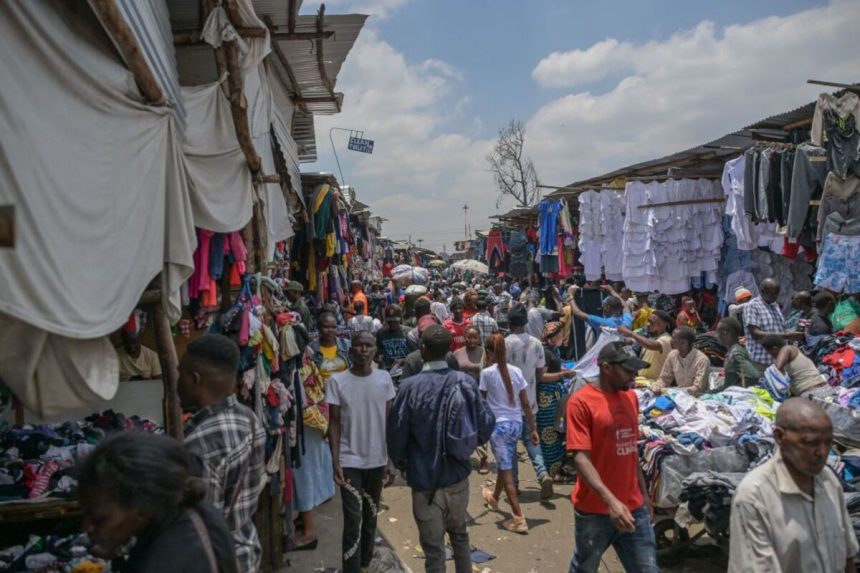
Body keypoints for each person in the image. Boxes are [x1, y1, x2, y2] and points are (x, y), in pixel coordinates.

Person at [387, 326, 495, 573]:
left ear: (422, 350)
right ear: (449, 351)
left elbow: (396, 436)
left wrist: (404, 466)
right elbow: (486, 424)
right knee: (460, 538)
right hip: (457, 477)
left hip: (424, 482)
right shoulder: (465, 383)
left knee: (434, 549)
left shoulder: (409, 387)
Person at [77, 431, 238, 573]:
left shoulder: (169, 559)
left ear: (140, 508)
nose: (87, 528)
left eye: (99, 519)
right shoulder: (191, 511)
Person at [729, 398, 858, 573]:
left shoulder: (829, 481)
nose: (822, 453)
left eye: (828, 443)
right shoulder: (754, 496)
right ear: (779, 437)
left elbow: (848, 555)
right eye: (810, 442)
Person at [566, 341, 656, 572]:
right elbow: (580, 457)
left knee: (647, 568)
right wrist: (610, 501)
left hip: (633, 507)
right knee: (585, 567)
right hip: (594, 510)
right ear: (606, 367)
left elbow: (631, 449)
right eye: (627, 370)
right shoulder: (580, 402)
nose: (634, 375)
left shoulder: (631, 398)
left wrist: (645, 495)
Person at [178, 334, 266, 571]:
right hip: (244, 548)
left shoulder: (201, 445)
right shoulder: (247, 418)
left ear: (195, 380)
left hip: (219, 561)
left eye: (180, 375)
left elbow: (199, 531)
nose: (177, 382)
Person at [326, 331, 396, 573]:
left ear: (375, 350)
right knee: (353, 520)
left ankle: (365, 563)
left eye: (368, 345)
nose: (364, 350)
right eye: (359, 345)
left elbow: (389, 422)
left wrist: (390, 459)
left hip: (377, 460)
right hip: (349, 460)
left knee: (371, 517)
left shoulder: (384, 379)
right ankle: (351, 568)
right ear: (351, 349)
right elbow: (333, 423)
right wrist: (335, 459)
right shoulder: (337, 382)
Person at [293, 313, 344, 550]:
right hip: (318, 417)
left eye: (333, 326)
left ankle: (309, 530)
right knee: (315, 465)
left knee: (306, 472)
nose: (330, 331)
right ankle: (308, 515)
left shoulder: (303, 364)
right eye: (325, 326)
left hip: (313, 421)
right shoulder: (310, 358)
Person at [480, 333, 539, 534]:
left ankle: (518, 517)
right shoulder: (516, 372)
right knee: (504, 465)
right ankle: (494, 498)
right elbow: (525, 403)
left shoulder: (487, 374)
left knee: (507, 474)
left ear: (489, 353)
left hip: (499, 428)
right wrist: (533, 428)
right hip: (516, 425)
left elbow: (481, 403)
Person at [504, 304, 554, 499]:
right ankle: (542, 473)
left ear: (509, 324)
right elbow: (541, 374)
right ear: (525, 323)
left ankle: (514, 485)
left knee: (510, 447)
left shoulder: (505, 344)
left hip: (509, 405)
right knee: (532, 441)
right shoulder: (536, 343)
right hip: (530, 402)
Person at [539, 321, 576, 479]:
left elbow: (555, 367)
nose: (562, 337)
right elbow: (541, 376)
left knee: (557, 431)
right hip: (546, 397)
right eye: (560, 335)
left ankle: (557, 471)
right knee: (550, 434)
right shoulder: (545, 352)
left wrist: (564, 370)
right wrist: (562, 375)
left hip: (556, 394)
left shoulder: (554, 350)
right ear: (551, 337)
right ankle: (550, 471)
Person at [743, 278, 803, 372]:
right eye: (772, 294)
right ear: (762, 291)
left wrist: (792, 334)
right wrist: (786, 335)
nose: (775, 297)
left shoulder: (774, 306)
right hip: (761, 363)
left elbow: (778, 330)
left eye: (777, 294)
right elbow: (755, 334)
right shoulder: (752, 306)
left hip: (778, 362)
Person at [761, 335, 832, 398]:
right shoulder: (790, 359)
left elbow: (776, 369)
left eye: (769, 352)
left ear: (774, 348)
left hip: (813, 393)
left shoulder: (787, 349)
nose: (770, 355)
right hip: (821, 390)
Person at [654, 327, 711, 396]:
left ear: (683, 342)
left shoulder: (702, 360)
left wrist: (672, 391)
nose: (671, 340)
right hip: (679, 396)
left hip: (698, 399)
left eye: (674, 338)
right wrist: (657, 387)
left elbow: (697, 389)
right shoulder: (672, 355)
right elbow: (664, 379)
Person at [618, 310, 673, 381]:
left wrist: (632, 334)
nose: (648, 324)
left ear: (662, 325)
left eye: (651, 322)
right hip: (643, 381)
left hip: (656, 383)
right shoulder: (651, 337)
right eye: (648, 321)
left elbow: (650, 345)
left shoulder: (666, 339)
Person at [568, 284, 633, 337]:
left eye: (603, 306)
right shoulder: (627, 320)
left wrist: (571, 295)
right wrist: (612, 291)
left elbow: (578, 313)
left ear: (608, 307)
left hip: (606, 352)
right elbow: (625, 307)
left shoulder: (603, 322)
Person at [716, 317, 761, 389]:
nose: (717, 336)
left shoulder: (736, 353)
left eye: (718, 332)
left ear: (725, 333)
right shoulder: (733, 351)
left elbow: (753, 376)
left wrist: (734, 389)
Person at [376, 304, 410, 372]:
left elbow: (414, 354)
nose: (392, 324)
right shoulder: (380, 333)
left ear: (400, 318)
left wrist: (403, 360)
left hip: (404, 370)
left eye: (394, 321)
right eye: (389, 321)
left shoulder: (408, 332)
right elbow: (377, 353)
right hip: (386, 370)